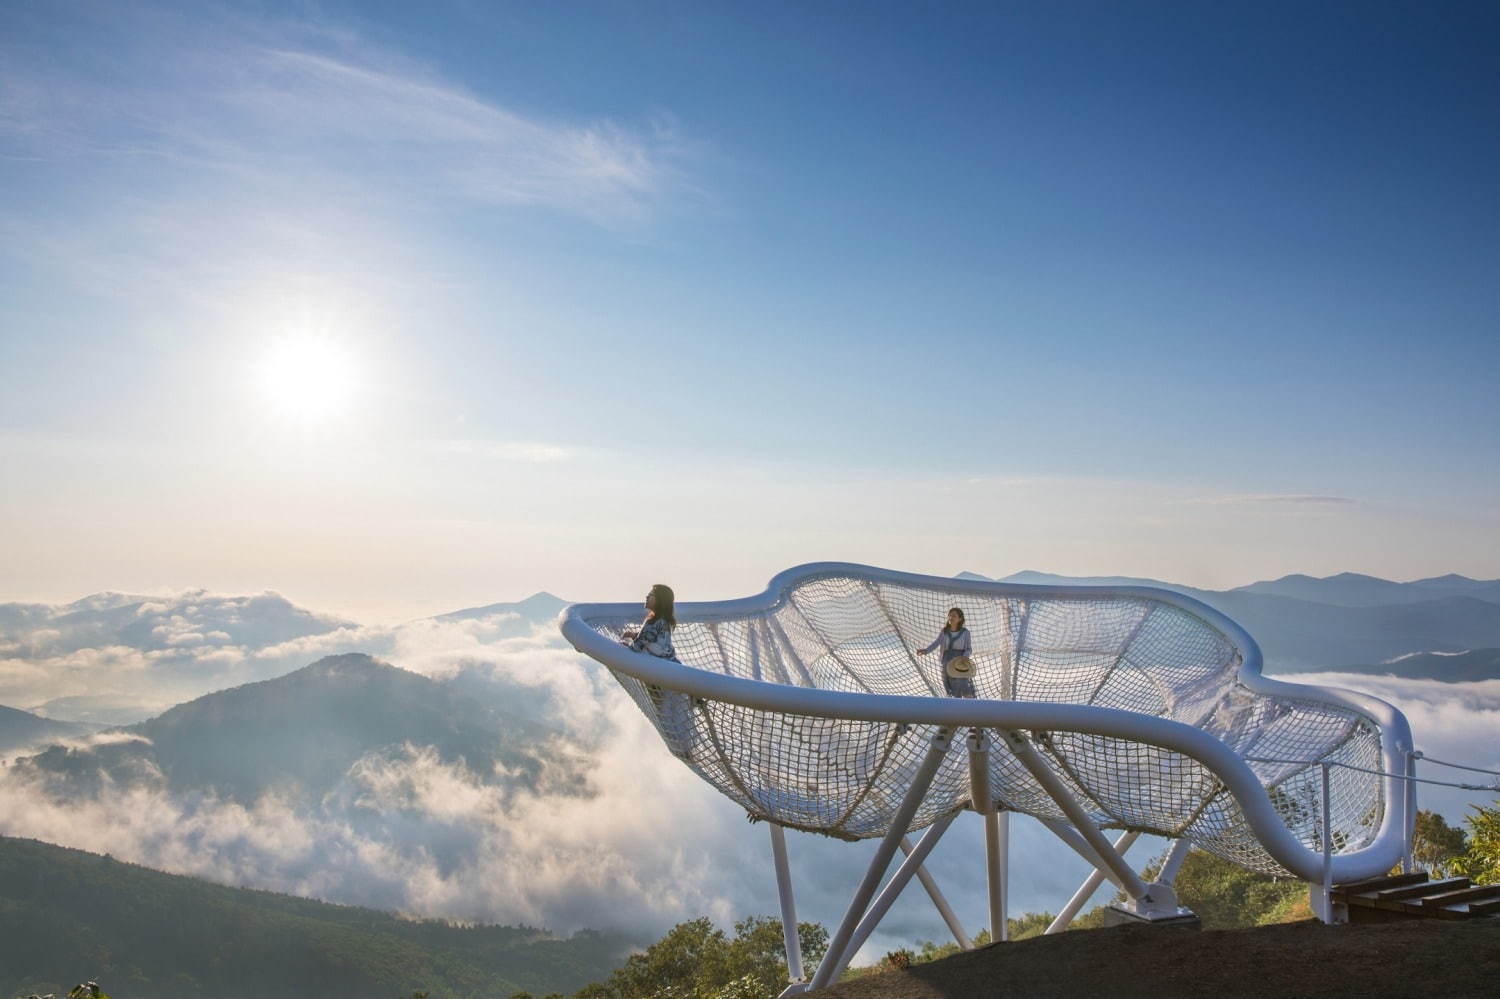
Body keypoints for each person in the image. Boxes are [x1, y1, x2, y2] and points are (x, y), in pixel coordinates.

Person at [917, 607, 975, 697]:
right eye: (950, 615)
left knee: (962, 682)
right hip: (946, 660)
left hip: (960, 661)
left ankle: (969, 704)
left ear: (960, 619)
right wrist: (926, 650)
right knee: (948, 684)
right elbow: (936, 643)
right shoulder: (944, 631)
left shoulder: (965, 632)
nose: (951, 618)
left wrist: (964, 656)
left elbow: (969, 649)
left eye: (954, 616)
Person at [622, 583, 679, 662]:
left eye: (650, 595)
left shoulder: (654, 621)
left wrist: (626, 645)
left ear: (659, 600)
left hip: (660, 667)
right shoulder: (665, 620)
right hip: (671, 663)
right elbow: (654, 640)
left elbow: (637, 647)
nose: (647, 597)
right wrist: (634, 635)